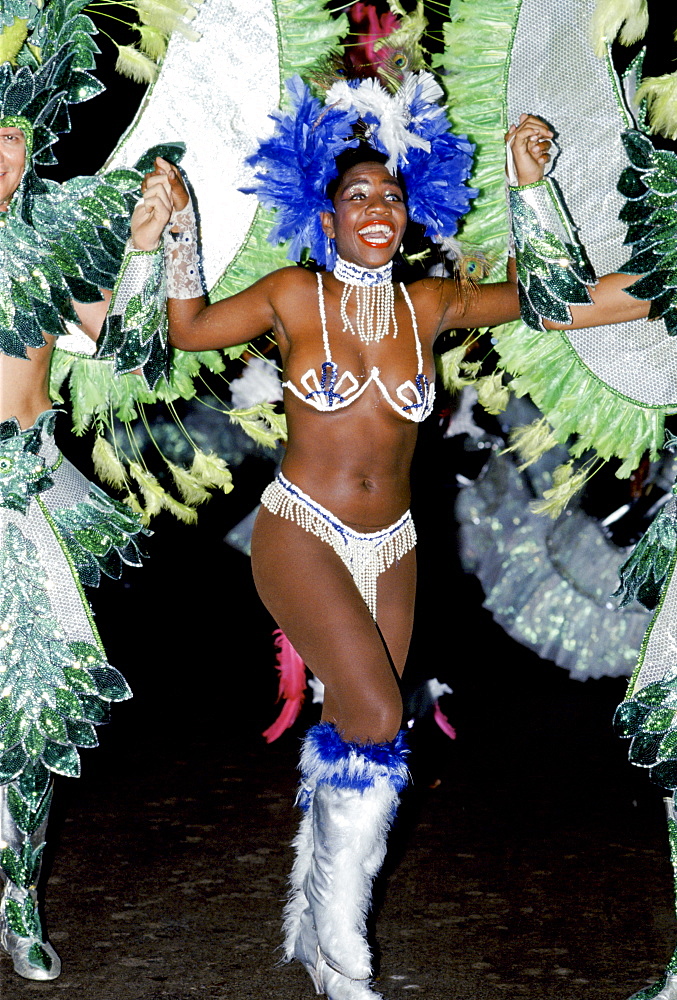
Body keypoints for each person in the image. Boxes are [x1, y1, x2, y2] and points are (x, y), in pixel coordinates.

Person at [134, 66, 563, 998]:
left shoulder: (429, 304)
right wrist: (180, 228)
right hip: (303, 529)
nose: (377, 208)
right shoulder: (293, 294)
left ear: (409, 217)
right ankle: (342, 947)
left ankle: (326, 942)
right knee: (374, 710)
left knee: (362, 734)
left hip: (395, 544)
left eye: (392, 195)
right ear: (326, 217)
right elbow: (193, 329)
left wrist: (529, 181)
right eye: (357, 195)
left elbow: (540, 296)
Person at [0, 37, 176, 990]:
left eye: (16, 143)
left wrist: (144, 249)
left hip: (19, 505)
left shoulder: (53, 247)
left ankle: (19, 901)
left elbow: (134, 352)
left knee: (28, 716)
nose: (3, 161)